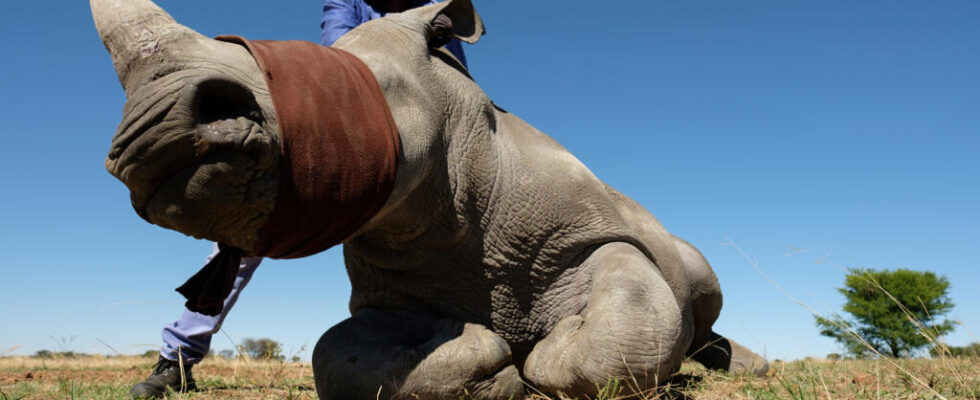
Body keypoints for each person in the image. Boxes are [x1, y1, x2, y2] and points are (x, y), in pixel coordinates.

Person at [129, 1, 466, 398]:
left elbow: (457, 88)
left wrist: (445, 39)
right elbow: (343, 52)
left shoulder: (438, 6)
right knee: (244, 237)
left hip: (425, 150)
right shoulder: (349, 2)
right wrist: (411, 33)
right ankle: (178, 358)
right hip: (355, 131)